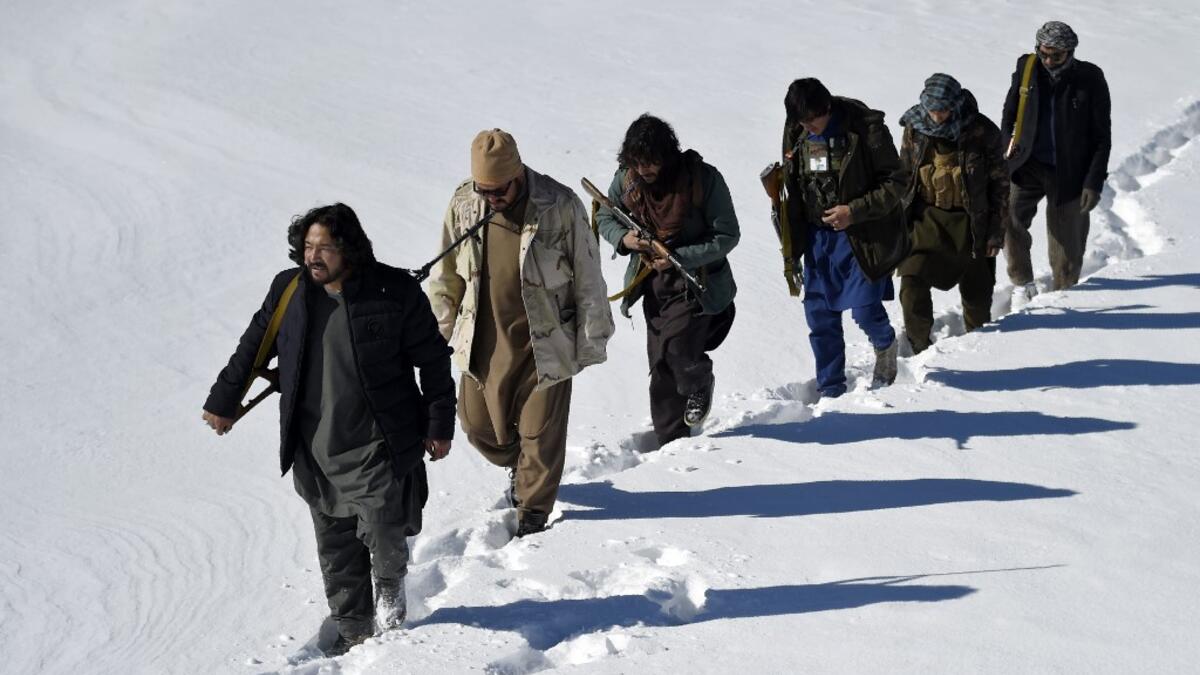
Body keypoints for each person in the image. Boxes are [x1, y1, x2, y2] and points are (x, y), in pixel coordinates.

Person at [202, 203, 455, 656]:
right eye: (307, 247)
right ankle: (355, 631)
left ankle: (393, 609)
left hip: (378, 440)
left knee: (384, 532)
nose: (312, 256)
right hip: (316, 446)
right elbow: (252, 345)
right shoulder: (289, 291)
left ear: (350, 250)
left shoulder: (391, 291)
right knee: (336, 547)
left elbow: (434, 360)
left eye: (324, 248)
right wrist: (223, 401)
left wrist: (439, 424)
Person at [427, 129, 613, 537]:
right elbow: (446, 277)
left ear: (518, 175)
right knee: (477, 428)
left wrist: (591, 338)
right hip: (483, 339)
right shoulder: (464, 204)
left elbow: (588, 276)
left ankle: (533, 517)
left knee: (540, 435)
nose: (492, 198)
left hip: (545, 342)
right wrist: (437, 334)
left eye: (499, 190)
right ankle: (521, 466)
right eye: (484, 190)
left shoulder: (559, 205)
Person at [595, 115, 739, 447]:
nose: (644, 169)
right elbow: (604, 214)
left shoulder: (702, 180)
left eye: (652, 161)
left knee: (678, 350)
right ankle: (672, 441)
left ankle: (700, 383)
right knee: (659, 363)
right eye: (637, 162)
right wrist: (626, 239)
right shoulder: (627, 181)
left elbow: (728, 234)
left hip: (696, 283)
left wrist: (681, 257)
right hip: (653, 285)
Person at [780, 78, 907, 398]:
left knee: (865, 307)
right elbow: (792, 184)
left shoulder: (865, 127)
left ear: (826, 108)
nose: (807, 127)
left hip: (860, 236)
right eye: (800, 122)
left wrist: (854, 210)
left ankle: (885, 345)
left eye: (812, 120)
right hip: (817, 238)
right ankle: (831, 388)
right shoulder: (797, 130)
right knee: (820, 317)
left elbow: (896, 182)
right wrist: (791, 242)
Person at [896, 73, 1009, 353]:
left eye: (943, 110)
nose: (937, 116)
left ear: (955, 105)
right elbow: (904, 175)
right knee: (911, 281)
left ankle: (979, 345)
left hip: (971, 223)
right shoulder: (915, 128)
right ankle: (919, 347)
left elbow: (1000, 186)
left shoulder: (982, 131)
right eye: (932, 110)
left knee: (977, 294)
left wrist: (995, 233)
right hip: (926, 220)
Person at [1002, 20, 1112, 306]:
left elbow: (1102, 136)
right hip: (1028, 164)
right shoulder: (1027, 68)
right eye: (1044, 52)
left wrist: (1093, 182)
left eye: (1056, 55)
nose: (1049, 60)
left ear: (1070, 52)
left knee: (1066, 244)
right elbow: (1010, 112)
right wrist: (1005, 152)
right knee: (1009, 217)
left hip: (1069, 172)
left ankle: (1065, 295)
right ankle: (1022, 283)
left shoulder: (1090, 78)